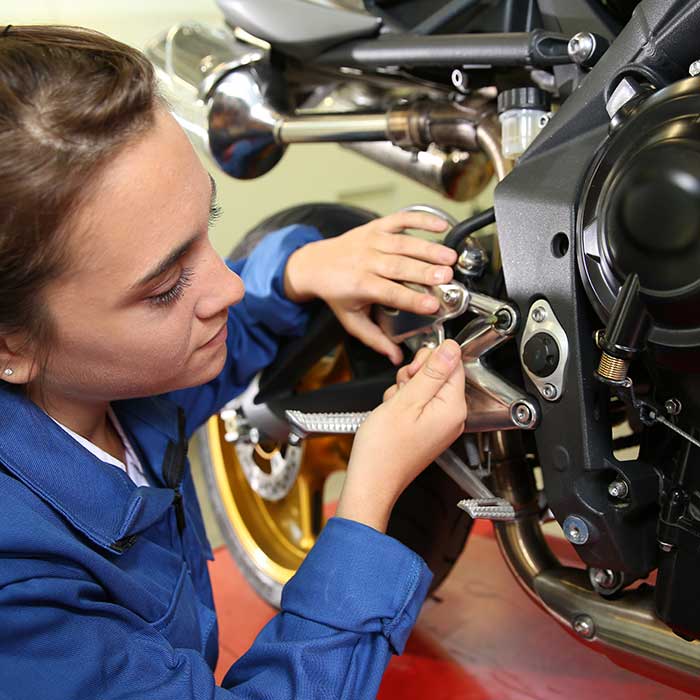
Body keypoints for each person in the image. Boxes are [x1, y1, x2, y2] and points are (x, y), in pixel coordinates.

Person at [0, 25, 467, 700]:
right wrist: (367, 503)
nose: (228, 287)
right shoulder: (20, 597)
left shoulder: (94, 390)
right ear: (11, 346)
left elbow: (220, 340)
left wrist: (297, 269)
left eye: (207, 225)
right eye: (164, 289)